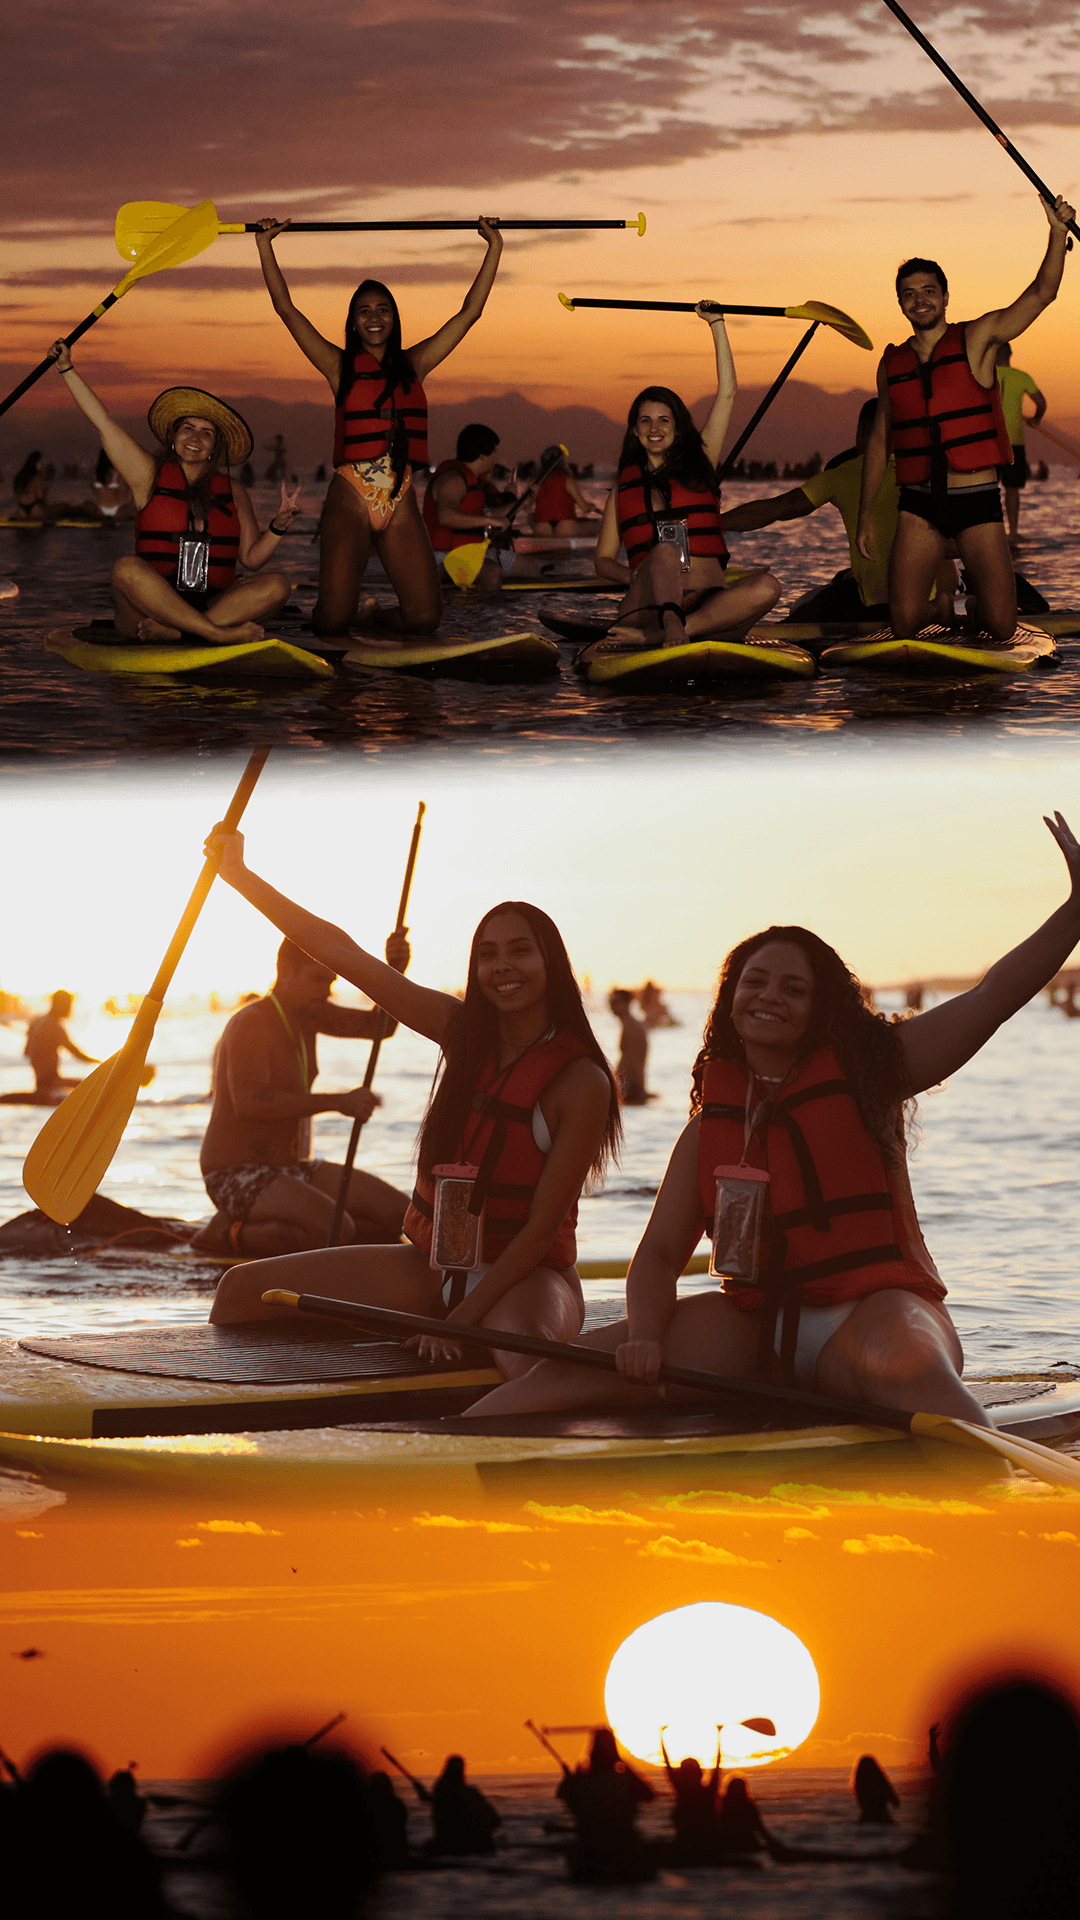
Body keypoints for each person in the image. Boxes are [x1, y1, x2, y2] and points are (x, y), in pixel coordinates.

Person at [465, 811, 1080, 1422]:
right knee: (559, 1374)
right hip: (756, 1329)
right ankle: (454, 1453)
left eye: (793, 988)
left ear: (820, 1010)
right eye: (755, 982)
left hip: (874, 1314)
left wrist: (1076, 911)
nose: (769, 997)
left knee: (912, 1374)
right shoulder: (709, 1128)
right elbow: (655, 1258)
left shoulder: (875, 1076)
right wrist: (646, 1337)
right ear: (731, 999)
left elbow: (992, 997)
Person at [204, 836, 621, 1369]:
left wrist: (456, 1322)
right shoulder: (459, 1031)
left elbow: (541, 1230)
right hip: (431, 1267)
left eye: (520, 950)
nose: (502, 967)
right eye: (487, 954)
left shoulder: (581, 1080)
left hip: (528, 1278)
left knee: (519, 1355)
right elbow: (339, 951)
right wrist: (237, 873)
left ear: (551, 963)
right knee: (240, 1293)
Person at [254, 216, 504, 638]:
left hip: (400, 499)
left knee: (425, 619)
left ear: (394, 318)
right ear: (352, 322)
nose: (374, 318)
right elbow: (286, 309)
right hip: (351, 497)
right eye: (364, 311)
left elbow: (470, 313)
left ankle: (370, 617)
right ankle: (329, 618)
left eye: (383, 310)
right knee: (332, 622)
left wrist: (493, 246)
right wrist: (264, 245)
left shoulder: (416, 363)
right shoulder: (338, 366)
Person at [856, 193, 1075, 644]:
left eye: (928, 291)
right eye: (909, 295)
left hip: (975, 499)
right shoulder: (891, 364)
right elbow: (880, 439)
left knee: (1000, 627)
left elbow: (1041, 294)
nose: (919, 301)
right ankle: (943, 604)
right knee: (903, 626)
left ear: (945, 296)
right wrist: (865, 515)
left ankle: (973, 608)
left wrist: (1057, 235)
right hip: (917, 504)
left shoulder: (977, 338)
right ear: (900, 304)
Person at [48, 344, 297, 645]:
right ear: (173, 436)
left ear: (215, 447)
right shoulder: (148, 475)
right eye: (188, 428)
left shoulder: (235, 491)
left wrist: (279, 524)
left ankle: (182, 633)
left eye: (207, 433)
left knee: (278, 584)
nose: (195, 438)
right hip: (147, 609)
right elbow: (103, 422)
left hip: (213, 605)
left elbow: (251, 559)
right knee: (126, 569)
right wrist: (66, 368)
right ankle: (212, 634)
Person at [193, 936, 412, 1258]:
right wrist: (338, 1102)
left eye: (332, 981)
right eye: (318, 979)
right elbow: (249, 1103)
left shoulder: (310, 1016)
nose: (327, 991)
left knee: (400, 1215)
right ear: (285, 970)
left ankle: (267, 1217)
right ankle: (226, 1231)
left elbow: (380, 1027)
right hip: (233, 1173)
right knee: (338, 1228)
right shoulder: (250, 1023)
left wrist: (395, 970)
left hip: (293, 1168)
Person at [594, 308, 780, 649]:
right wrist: (627, 574)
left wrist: (717, 323)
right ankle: (667, 627)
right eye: (645, 421)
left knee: (768, 586)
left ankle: (670, 633)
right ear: (634, 431)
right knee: (665, 552)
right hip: (646, 605)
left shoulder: (701, 463)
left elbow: (728, 393)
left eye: (664, 420)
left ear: (677, 428)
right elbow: (603, 560)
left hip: (708, 606)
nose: (655, 429)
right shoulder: (623, 490)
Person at [723, 400, 955, 623]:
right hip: (921, 604)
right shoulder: (928, 474)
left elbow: (774, 509)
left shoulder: (843, 474)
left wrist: (714, 522)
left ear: (864, 430)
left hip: (879, 610)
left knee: (805, 612)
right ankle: (938, 607)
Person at [420, 423, 512, 590]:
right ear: (483, 455)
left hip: (472, 553)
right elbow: (446, 516)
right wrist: (490, 520)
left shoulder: (476, 481)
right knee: (494, 572)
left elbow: (484, 515)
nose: (496, 457)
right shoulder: (452, 481)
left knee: (537, 568)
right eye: (495, 452)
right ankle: (479, 614)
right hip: (443, 558)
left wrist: (519, 504)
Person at [557, 1728, 654, 1883]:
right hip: (623, 1844)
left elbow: (564, 1796)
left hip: (589, 1846)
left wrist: (572, 1777)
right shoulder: (624, 1779)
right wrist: (625, 1764)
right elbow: (649, 1794)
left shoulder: (581, 1780)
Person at [995, 343, 1047, 547]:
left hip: (990, 440)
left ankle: (991, 534)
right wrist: (1036, 419)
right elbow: (1041, 403)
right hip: (1013, 441)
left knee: (987, 488)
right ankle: (1013, 533)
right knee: (1012, 488)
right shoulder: (1021, 376)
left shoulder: (984, 376)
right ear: (1010, 354)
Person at [660, 1732, 722, 1864]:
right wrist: (719, 1735)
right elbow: (717, 1767)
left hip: (684, 1844)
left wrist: (661, 1736)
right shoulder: (709, 1791)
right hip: (709, 1845)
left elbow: (668, 1766)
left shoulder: (682, 1790)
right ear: (699, 1772)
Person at [24, 991, 98, 1098]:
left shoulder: (36, 1022)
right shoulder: (55, 1027)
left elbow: (26, 1052)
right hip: (52, 1084)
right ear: (60, 1005)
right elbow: (76, 1053)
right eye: (69, 1005)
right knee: (93, 1086)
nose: (70, 1009)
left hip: (40, 1084)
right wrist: (100, 1062)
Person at [532, 447, 598, 536]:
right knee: (599, 525)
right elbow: (584, 508)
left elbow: (527, 507)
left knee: (530, 517)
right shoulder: (568, 480)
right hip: (566, 526)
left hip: (542, 527)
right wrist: (591, 506)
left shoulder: (535, 482)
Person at [609, 989, 652, 1105]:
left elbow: (633, 1061)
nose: (612, 1006)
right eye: (611, 1001)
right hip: (629, 1082)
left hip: (630, 1084)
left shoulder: (631, 1027)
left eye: (616, 1002)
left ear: (627, 1003)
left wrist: (640, 1089)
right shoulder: (630, 1025)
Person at [712, 1776, 771, 1856]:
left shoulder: (721, 1805)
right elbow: (760, 1829)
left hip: (727, 1846)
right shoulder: (748, 1806)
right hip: (748, 1845)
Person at [851, 1754, 900, 1823]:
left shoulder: (860, 1784)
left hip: (866, 1818)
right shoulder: (881, 1781)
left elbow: (860, 1802)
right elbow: (896, 1802)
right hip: (882, 1816)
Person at [92, 448, 134, 522]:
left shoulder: (98, 472)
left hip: (101, 506)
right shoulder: (116, 471)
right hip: (115, 506)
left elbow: (95, 493)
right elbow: (121, 494)